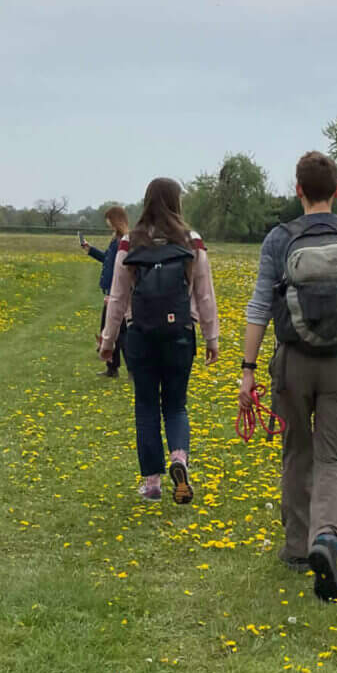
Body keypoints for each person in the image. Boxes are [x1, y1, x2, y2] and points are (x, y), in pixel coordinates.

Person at [238, 151, 337, 602]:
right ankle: (327, 537)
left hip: (291, 364)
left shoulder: (278, 240)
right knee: (335, 457)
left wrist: (247, 371)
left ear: (297, 189)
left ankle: (298, 547)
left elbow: (260, 309)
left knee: (297, 449)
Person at [100, 176, 219, 502]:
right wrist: (212, 338)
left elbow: (117, 296)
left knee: (147, 406)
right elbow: (205, 295)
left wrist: (108, 341)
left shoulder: (130, 242)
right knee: (177, 404)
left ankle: (152, 482)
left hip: (140, 334)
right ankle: (179, 457)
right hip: (181, 333)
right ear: (177, 202)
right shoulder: (192, 241)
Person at [80, 206, 129, 377]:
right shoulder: (115, 240)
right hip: (112, 292)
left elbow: (119, 268)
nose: (107, 223)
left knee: (121, 332)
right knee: (111, 330)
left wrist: (112, 292)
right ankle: (112, 367)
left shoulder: (122, 241)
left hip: (116, 293)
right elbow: (108, 260)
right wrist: (90, 250)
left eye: (108, 219)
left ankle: (130, 370)